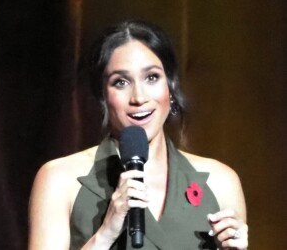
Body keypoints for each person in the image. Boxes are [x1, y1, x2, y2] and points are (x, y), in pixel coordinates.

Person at [28, 20, 248, 250]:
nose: (138, 97)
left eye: (152, 77)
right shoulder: (60, 179)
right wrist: (104, 236)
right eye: (120, 82)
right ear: (103, 96)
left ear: (170, 88)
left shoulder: (220, 182)